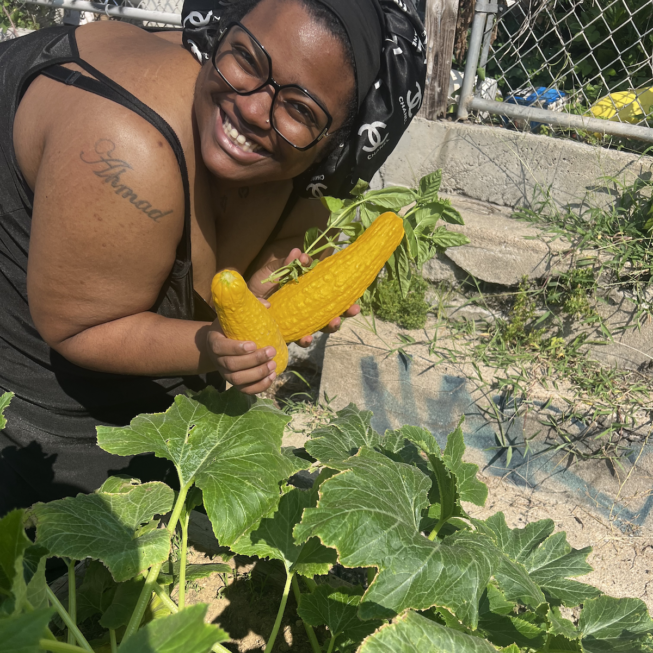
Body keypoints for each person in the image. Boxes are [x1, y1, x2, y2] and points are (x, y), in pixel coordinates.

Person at [0, 0, 426, 513]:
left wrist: (274, 306)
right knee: (81, 512)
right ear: (222, 29)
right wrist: (216, 344)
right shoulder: (129, 148)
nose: (252, 107)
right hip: (44, 337)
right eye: (247, 58)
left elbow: (242, 288)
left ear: (335, 144)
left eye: (300, 108)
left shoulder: (302, 185)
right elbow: (76, 328)